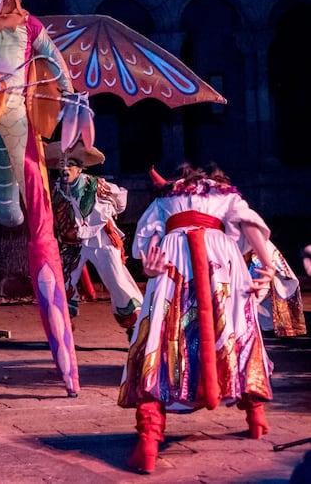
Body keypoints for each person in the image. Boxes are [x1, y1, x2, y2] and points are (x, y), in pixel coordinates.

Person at [118, 163, 276, 474]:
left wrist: (150, 271)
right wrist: (267, 266)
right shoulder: (226, 196)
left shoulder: (164, 200)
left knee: (161, 338)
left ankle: (149, 439)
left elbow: (149, 247)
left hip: (175, 261)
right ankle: (255, 415)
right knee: (235, 329)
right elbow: (250, 225)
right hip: (220, 262)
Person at [46, 141, 143, 339]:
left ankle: (136, 326)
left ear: (80, 167)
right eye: (62, 164)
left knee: (117, 278)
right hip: (72, 242)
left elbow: (120, 201)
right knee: (63, 282)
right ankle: (63, 329)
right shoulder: (55, 192)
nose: (65, 168)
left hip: (101, 238)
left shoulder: (96, 185)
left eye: (71, 164)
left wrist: (109, 214)